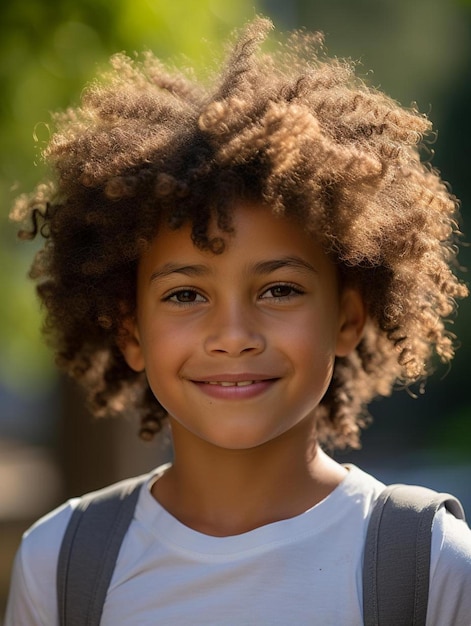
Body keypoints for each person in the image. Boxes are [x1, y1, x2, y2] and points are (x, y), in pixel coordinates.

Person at [5, 16, 471, 625]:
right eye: (184, 296)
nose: (232, 336)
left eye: (278, 290)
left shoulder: (429, 564)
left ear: (348, 318)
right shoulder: (60, 562)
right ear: (130, 331)